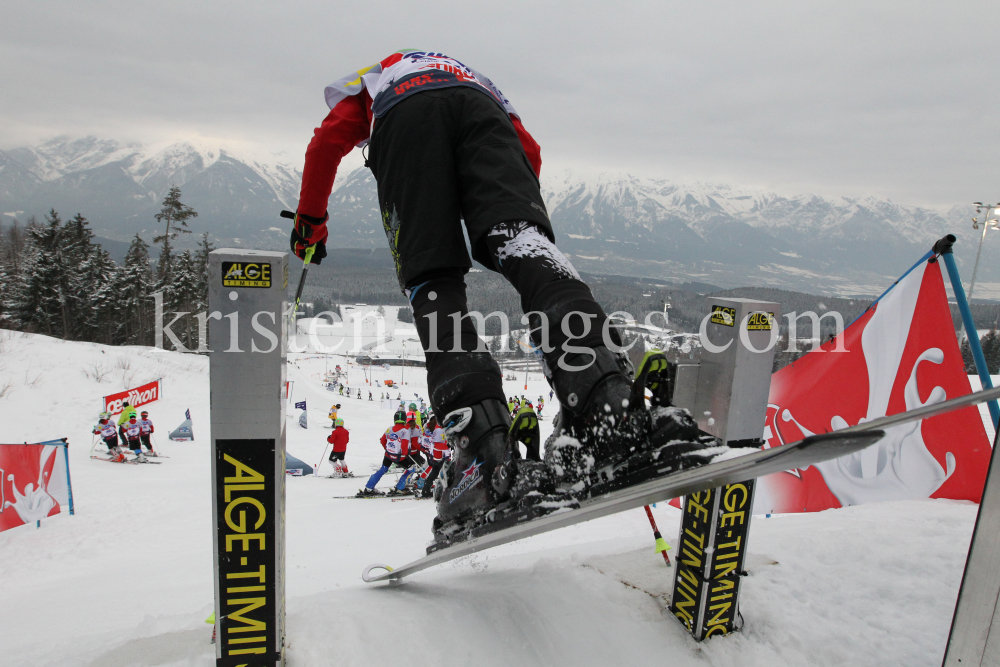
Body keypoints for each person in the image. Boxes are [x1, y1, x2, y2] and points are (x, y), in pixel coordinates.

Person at [293, 49, 708, 541]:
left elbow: (327, 142)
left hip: (407, 123)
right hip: (487, 120)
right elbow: (527, 150)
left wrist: (310, 222)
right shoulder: (475, 79)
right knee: (523, 243)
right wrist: (507, 210)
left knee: (435, 284)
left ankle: (485, 456)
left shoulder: (379, 78)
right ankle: (606, 399)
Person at [358, 410, 415, 497]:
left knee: (383, 469)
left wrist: (387, 449)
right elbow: (404, 446)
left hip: (388, 455)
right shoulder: (405, 431)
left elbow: (382, 440)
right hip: (399, 456)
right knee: (412, 468)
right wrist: (405, 454)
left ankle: (369, 488)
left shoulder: (390, 428)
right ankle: (400, 488)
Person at [417, 415, 448, 498]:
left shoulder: (428, 426)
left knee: (435, 469)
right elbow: (440, 442)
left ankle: (426, 489)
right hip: (440, 452)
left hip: (431, 451)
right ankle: (446, 489)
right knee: (444, 470)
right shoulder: (439, 428)